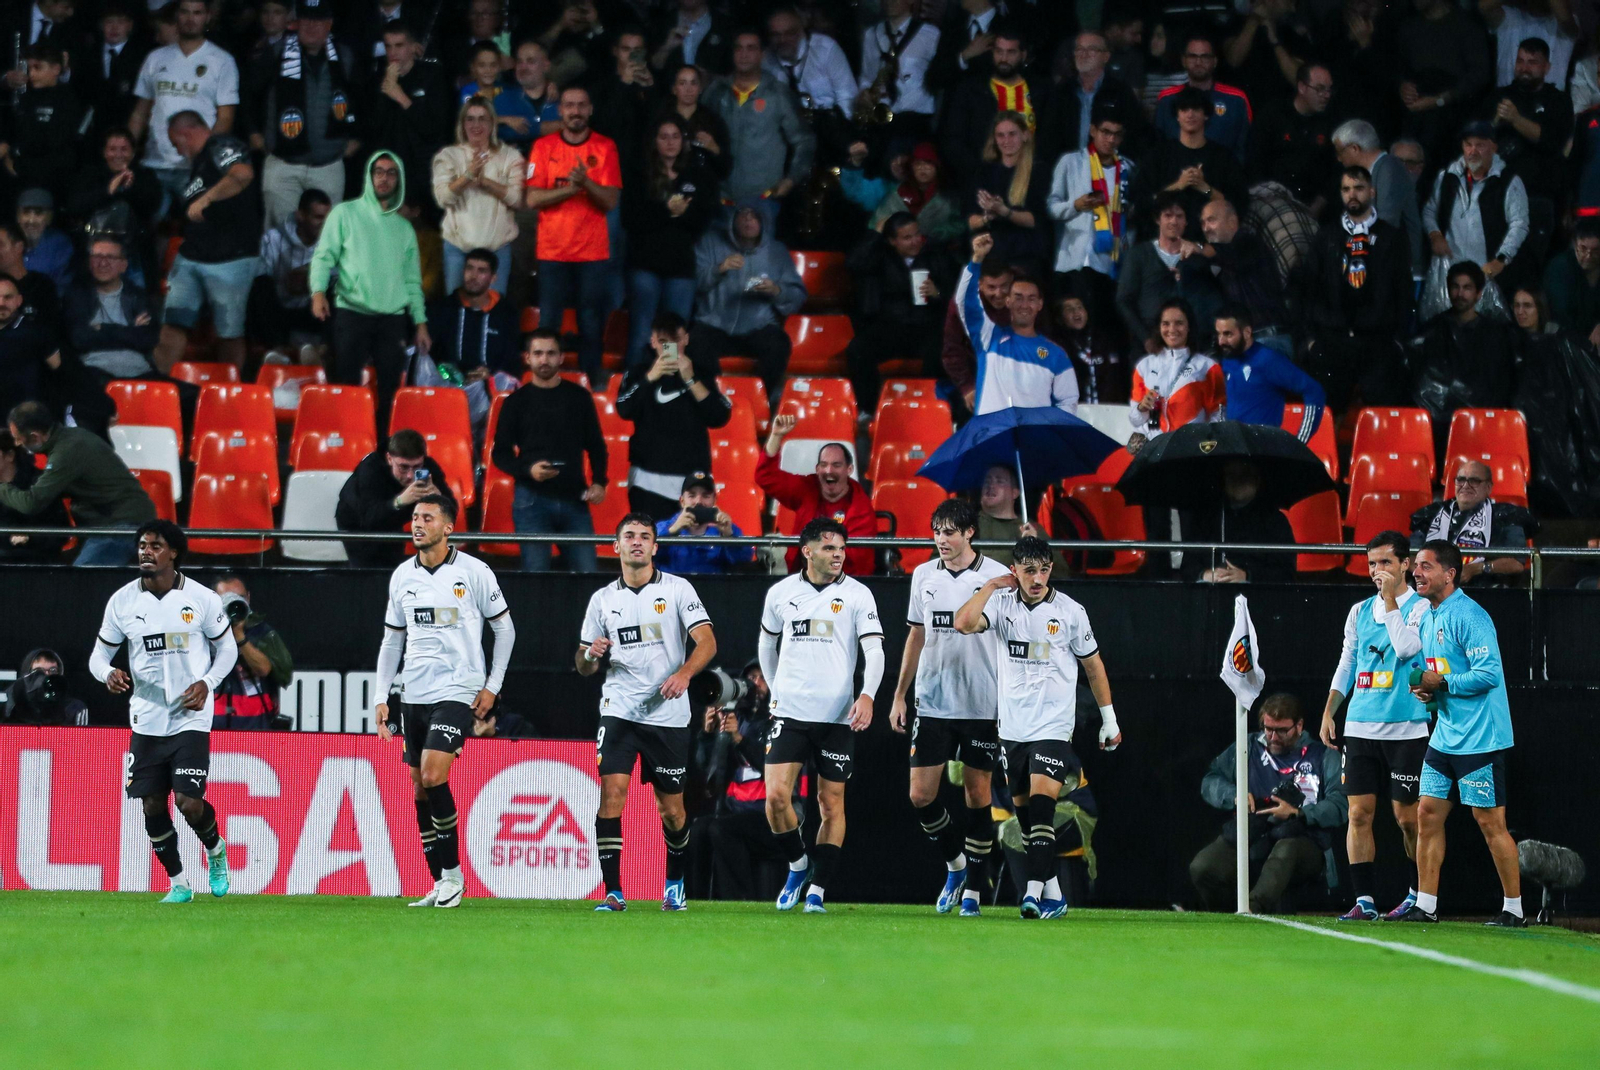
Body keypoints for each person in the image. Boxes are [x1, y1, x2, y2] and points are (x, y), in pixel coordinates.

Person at [953, 534, 1122, 919]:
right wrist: (992, 584)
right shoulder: (1000, 604)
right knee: (1026, 820)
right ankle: (1055, 894)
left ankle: (1031, 894)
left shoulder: (1070, 611)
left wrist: (1109, 719)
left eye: (1044, 570)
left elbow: (1093, 666)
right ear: (1015, 571)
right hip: (1013, 729)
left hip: (1053, 726)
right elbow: (963, 623)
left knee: (1044, 809)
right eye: (1029, 571)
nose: (1038, 579)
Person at [374, 495, 515, 909]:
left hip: (458, 688)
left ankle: (453, 876)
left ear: (448, 527)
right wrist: (383, 695)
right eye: (415, 518)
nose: (418, 524)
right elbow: (392, 639)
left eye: (427, 518)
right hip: (413, 692)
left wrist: (492, 686)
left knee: (435, 776)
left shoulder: (474, 572)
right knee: (420, 790)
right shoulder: (402, 576)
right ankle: (438, 880)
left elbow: (504, 630)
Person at [88, 520, 238, 904]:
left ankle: (215, 849)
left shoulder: (202, 599)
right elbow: (98, 656)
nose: (145, 552)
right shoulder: (123, 601)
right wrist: (108, 672)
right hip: (147, 717)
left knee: (188, 802)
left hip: (190, 716)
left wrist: (207, 683)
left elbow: (228, 650)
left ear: (173, 553)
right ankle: (179, 884)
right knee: (153, 803)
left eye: (155, 546)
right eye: (141, 545)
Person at [577, 514, 717, 911]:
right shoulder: (603, 600)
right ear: (615, 546)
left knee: (671, 810)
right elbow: (583, 665)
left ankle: (674, 882)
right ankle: (613, 891)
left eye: (644, 537)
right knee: (611, 794)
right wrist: (590, 654)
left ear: (656, 547)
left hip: (668, 714)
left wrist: (685, 673)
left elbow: (707, 641)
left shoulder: (677, 589)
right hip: (619, 709)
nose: (636, 542)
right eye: (629, 536)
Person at [890, 499, 1011, 915]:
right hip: (934, 699)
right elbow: (915, 636)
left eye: (949, 531)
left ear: (969, 533)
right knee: (921, 795)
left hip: (981, 702)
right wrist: (899, 695)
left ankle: (975, 892)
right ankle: (956, 866)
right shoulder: (923, 574)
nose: (942, 539)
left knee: (978, 795)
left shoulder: (998, 576)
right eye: (937, 530)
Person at [758, 518, 885, 913]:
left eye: (841, 549)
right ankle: (798, 865)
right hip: (791, 712)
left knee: (831, 805)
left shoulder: (858, 594)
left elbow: (875, 651)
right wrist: (776, 686)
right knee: (776, 798)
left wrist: (866, 695)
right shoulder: (781, 593)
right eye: (829, 548)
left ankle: (818, 890)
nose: (838, 555)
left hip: (836, 717)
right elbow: (767, 644)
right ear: (807, 550)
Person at [1399, 541, 1523, 926]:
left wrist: (1442, 683)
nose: (1416, 572)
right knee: (1428, 813)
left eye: (1425, 566)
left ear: (1450, 574)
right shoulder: (1428, 614)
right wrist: (1428, 692)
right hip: (1446, 735)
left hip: (1480, 737)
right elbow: (1437, 673)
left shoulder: (1471, 616)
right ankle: (1427, 904)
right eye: (1416, 565)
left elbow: (1489, 675)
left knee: (1490, 823)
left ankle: (1514, 910)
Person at [1320, 531, 1432, 921]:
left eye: (1385, 562)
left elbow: (1406, 650)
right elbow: (1348, 663)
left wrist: (1389, 604)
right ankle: (1364, 900)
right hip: (1361, 727)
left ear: (1405, 564)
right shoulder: (1358, 611)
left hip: (1406, 728)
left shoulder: (1420, 608)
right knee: (1358, 815)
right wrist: (1330, 708)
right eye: (1371, 564)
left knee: (1407, 817)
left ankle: (1419, 894)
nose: (1376, 571)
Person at [1189, 694, 1346, 914]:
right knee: (1203, 867)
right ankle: (1225, 916)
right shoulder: (1248, 746)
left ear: (1299, 725)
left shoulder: (1323, 756)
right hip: (1253, 833)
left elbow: (1340, 805)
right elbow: (1210, 781)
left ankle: (1251, 912)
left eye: (1281, 731)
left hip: (1304, 841)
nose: (1273, 737)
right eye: (1268, 728)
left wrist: (1298, 813)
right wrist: (1235, 795)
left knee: (1286, 849)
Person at [310, 151, 430, 437]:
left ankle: (383, 450)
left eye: (391, 173)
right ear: (369, 175)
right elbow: (323, 256)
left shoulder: (404, 229)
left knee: (390, 389)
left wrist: (421, 323)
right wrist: (317, 292)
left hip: (392, 318)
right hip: (352, 312)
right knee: (347, 384)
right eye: (379, 171)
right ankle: (346, 442)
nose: (384, 178)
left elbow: (413, 281)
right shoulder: (345, 213)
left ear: (398, 180)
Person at [523, 86, 622, 388]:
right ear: (560, 110)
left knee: (591, 320)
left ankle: (593, 377)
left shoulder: (606, 147)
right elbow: (532, 199)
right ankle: (544, 377)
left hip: (592, 252)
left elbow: (610, 201)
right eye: (569, 105)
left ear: (590, 110)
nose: (575, 111)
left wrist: (586, 183)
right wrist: (571, 189)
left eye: (581, 105)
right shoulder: (543, 146)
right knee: (549, 320)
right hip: (552, 250)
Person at [1297, 166, 1415, 410]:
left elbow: (1403, 292)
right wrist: (1311, 340)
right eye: (1346, 189)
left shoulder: (1391, 237)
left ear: (1372, 191)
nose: (1352, 194)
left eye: (1359, 188)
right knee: (1330, 413)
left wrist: (1398, 341)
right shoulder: (1326, 236)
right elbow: (1308, 287)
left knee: (1381, 414)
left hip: (1378, 341)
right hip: (1332, 340)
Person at [490, 329, 608, 573]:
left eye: (551, 353)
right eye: (538, 353)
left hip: (575, 496)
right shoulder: (514, 402)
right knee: (535, 576)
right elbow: (500, 453)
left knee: (588, 575)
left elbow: (597, 445)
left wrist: (599, 482)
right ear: (528, 358)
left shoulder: (580, 398)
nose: (544, 360)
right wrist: (528, 470)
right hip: (531, 499)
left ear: (561, 358)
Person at [154, 112, 258, 375]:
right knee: (171, 327)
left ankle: (227, 398)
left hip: (230, 258)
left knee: (229, 334)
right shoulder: (197, 166)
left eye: (176, 144)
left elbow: (242, 174)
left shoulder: (221, 146)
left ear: (185, 134)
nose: (179, 151)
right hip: (191, 256)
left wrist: (207, 199)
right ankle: (159, 392)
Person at [242, 0, 360, 231]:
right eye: (306, 20)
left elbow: (362, 99)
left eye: (318, 21)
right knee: (281, 237)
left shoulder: (345, 56)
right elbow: (248, 95)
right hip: (283, 164)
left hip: (328, 164)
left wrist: (357, 136)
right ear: (296, 23)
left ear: (329, 24)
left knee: (326, 239)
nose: (312, 26)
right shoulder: (274, 54)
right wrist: (253, 132)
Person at [3, 400, 155, 566]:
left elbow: (31, 503)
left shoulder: (66, 452)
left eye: (18, 439)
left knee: (79, 583)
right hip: (108, 524)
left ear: (35, 436)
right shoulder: (69, 440)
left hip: (120, 526)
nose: (17, 444)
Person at [621, 116, 715, 371]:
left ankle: (668, 387)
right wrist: (666, 212)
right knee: (643, 330)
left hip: (680, 266)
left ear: (683, 141)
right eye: (664, 136)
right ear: (655, 142)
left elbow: (703, 218)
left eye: (675, 136)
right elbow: (631, 219)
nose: (670, 142)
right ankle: (633, 385)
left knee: (673, 334)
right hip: (645, 265)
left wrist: (680, 214)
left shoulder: (694, 174)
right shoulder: (640, 174)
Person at [615, 313, 732, 518]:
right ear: (652, 342)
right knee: (652, 544)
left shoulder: (702, 372)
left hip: (692, 483)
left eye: (675, 340)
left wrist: (690, 379)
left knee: (692, 548)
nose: (670, 348)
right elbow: (623, 408)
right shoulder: (637, 373)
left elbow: (720, 416)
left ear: (686, 339)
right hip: (647, 479)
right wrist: (650, 377)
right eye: (662, 342)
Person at [129, 0, 240, 209]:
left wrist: (206, 160)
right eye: (185, 12)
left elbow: (225, 118)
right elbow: (139, 113)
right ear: (177, 17)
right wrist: (127, 151)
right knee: (151, 231)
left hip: (195, 167)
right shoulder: (155, 58)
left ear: (207, 17)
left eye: (197, 13)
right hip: (154, 164)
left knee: (195, 230)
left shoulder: (222, 61)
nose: (191, 19)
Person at [689, 204, 807, 399]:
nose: (748, 220)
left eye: (754, 216)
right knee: (694, 343)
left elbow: (797, 296)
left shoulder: (776, 251)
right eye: (742, 215)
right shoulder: (710, 243)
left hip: (757, 326)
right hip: (714, 323)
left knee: (779, 344)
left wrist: (776, 290)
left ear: (763, 222)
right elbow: (694, 284)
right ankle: (712, 402)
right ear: (732, 220)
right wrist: (718, 269)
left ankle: (759, 401)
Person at [955, 231, 1077, 415]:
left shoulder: (1056, 354)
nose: (1024, 305)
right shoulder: (988, 338)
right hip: (992, 439)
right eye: (1018, 298)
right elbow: (965, 302)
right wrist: (977, 259)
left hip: (1033, 441)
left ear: (1039, 304)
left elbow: (1068, 402)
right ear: (1008, 302)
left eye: (1031, 298)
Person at [703, 30, 815, 231]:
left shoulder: (778, 93)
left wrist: (791, 179)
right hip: (720, 199)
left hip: (763, 201)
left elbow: (804, 140)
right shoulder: (716, 90)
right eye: (738, 48)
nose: (744, 54)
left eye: (751, 48)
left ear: (762, 55)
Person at [845, 214, 957, 411]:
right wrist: (874, 235)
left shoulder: (936, 253)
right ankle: (869, 411)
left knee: (945, 350)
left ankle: (931, 406)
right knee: (858, 349)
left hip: (927, 328)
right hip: (891, 328)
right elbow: (854, 263)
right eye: (907, 238)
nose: (915, 241)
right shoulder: (880, 255)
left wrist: (937, 293)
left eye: (917, 235)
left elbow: (958, 294)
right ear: (892, 241)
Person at [63, 236, 167, 432]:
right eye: (97, 256)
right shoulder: (76, 295)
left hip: (141, 373)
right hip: (95, 373)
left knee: (192, 395)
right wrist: (129, 332)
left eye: (110, 257)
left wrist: (102, 328)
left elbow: (147, 339)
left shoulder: (137, 295)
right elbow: (78, 339)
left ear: (123, 265)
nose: (103, 263)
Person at [940, 26, 1057, 193]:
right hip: (981, 184)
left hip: (1029, 182)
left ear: (1023, 55)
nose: (1003, 58)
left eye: (1011, 52)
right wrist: (978, 172)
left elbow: (1050, 137)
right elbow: (953, 139)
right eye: (999, 51)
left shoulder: (1042, 90)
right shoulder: (971, 89)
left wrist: (1036, 170)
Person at [1422, 124, 1530, 301]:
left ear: (1493, 147)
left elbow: (1519, 224)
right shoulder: (1447, 177)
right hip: (1450, 275)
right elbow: (1429, 210)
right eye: (1468, 145)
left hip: (1487, 275)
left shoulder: (1508, 181)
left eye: (1480, 145)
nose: (1472, 151)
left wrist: (1501, 260)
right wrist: (1435, 235)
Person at [758, 415, 876, 575]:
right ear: (817, 469)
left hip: (842, 586)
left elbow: (857, 563)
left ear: (849, 470)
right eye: (824, 465)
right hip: (799, 578)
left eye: (836, 465)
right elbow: (765, 476)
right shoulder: (808, 487)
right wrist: (776, 435)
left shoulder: (861, 508)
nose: (828, 471)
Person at [1410, 263, 1519, 437]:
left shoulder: (1495, 335)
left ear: (1479, 293)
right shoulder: (1431, 332)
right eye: (1455, 287)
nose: (1460, 294)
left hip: (1483, 425)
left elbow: (1500, 383)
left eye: (1467, 288)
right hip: (1440, 427)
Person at [430, 96, 524, 296]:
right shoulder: (448, 155)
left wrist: (485, 182)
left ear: (492, 123)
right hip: (458, 249)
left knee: (494, 311)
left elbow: (517, 200)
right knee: (456, 311)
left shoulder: (510, 156)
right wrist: (468, 175)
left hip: (497, 249)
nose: (476, 125)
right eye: (470, 119)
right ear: (462, 124)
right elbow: (443, 198)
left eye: (482, 119)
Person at [1048, 106, 1134, 321]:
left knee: (1102, 325)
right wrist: (1075, 205)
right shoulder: (1071, 162)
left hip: (1109, 263)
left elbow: (1132, 216)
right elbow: (1051, 207)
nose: (1111, 139)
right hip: (1073, 259)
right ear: (1092, 130)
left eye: (1117, 134)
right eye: (1106, 132)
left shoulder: (1127, 169)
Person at [334, 429, 459, 569]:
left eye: (416, 466)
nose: (410, 476)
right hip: (357, 523)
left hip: (392, 519)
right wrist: (400, 501)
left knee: (395, 567)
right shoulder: (370, 470)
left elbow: (452, 511)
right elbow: (369, 518)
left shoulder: (428, 468)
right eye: (403, 467)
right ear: (389, 459)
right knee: (369, 573)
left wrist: (440, 499)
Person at [1139, 86, 1249, 245]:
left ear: (1206, 115)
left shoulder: (1223, 157)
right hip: (1163, 245)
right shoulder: (1159, 155)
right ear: (1177, 115)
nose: (1190, 114)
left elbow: (1236, 206)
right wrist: (1178, 185)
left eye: (1196, 109)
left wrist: (1205, 188)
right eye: (1184, 109)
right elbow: (1144, 202)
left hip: (1209, 246)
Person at [366, 20, 453, 214]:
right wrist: (386, 89)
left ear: (414, 47)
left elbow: (434, 129)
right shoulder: (377, 79)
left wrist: (400, 96)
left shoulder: (432, 76)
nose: (393, 52)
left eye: (399, 45)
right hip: (390, 174)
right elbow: (373, 129)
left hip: (425, 174)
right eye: (388, 46)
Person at [421, 248, 521, 413]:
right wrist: (452, 374)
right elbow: (432, 355)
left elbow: (511, 359)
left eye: (481, 271)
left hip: (489, 390)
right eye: (469, 268)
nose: (473, 276)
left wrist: (490, 374)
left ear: (493, 278)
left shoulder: (506, 314)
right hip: (448, 390)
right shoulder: (443, 308)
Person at [1182, 200, 1289, 353]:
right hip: (1246, 344)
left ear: (1232, 222)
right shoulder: (1220, 259)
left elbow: (1227, 255)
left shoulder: (1249, 242)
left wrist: (1198, 248)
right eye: (1203, 223)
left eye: (1211, 220)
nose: (1206, 228)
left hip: (1268, 340)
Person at [1410, 460, 1534, 585]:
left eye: (1474, 481)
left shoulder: (1506, 515)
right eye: (1461, 480)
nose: (1465, 485)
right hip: (1433, 589)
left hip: (1485, 590)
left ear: (1488, 487)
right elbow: (1409, 556)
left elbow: (1516, 563)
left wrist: (1478, 568)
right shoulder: (1432, 514)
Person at [1484, 37, 1571, 214]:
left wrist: (1515, 119)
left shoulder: (1558, 100)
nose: (1524, 68)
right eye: (1520, 61)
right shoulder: (1499, 95)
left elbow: (1553, 141)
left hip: (1539, 192)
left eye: (1532, 62)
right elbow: (1478, 138)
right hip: (1500, 189)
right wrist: (1494, 121)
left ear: (1547, 67)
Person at [66, 128, 165, 284]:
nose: (118, 155)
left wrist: (129, 189)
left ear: (133, 153)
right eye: (112, 149)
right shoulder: (90, 175)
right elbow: (74, 207)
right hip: (93, 254)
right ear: (104, 153)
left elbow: (151, 206)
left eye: (124, 149)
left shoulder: (145, 176)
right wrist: (108, 190)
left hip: (133, 255)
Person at [1212, 306, 1324, 440]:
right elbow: (1224, 403)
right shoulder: (1227, 360)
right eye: (1218, 334)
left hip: (1263, 450)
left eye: (1228, 334)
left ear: (1247, 332)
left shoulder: (1268, 360)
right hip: (1234, 448)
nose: (1221, 341)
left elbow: (1314, 390)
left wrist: (1300, 440)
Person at [1128, 298, 1224, 448]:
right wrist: (1142, 408)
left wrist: (1206, 445)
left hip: (1191, 450)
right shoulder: (1144, 366)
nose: (1172, 330)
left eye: (1179, 323)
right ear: (1159, 327)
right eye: (1166, 324)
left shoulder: (1207, 367)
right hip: (1155, 451)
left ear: (1189, 327)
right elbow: (1135, 420)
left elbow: (1218, 417)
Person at [1183, 459, 1296, 584]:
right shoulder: (1206, 518)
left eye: (1245, 475)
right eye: (1231, 475)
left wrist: (1247, 575)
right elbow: (1188, 565)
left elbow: (1286, 572)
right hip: (1211, 591)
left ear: (1257, 480)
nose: (1237, 480)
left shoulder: (1274, 520)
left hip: (1257, 594)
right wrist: (1204, 574)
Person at [1332, 119, 1425, 270]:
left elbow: (1385, 223)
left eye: (1340, 151)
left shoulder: (1390, 168)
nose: (1339, 158)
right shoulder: (1373, 171)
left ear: (1355, 148)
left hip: (1399, 269)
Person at [964, 112, 1050, 271]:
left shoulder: (1038, 171)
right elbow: (971, 220)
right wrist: (987, 217)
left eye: (1012, 134)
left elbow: (1036, 220)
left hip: (1026, 255)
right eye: (1000, 135)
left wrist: (1004, 211)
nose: (1006, 141)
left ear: (1025, 135)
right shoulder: (984, 171)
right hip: (992, 256)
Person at [1248, 63, 1336, 212]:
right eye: (1320, 89)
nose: (1326, 95)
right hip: (1271, 206)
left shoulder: (1330, 121)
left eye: (1329, 89)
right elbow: (1255, 162)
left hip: (1315, 210)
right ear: (1302, 87)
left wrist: (1320, 203)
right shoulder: (1273, 116)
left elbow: (1334, 169)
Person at [211, 574, 294, 731]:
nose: (234, 604)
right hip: (212, 728)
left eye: (240, 597)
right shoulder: (201, 632)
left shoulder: (262, 633)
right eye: (226, 598)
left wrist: (239, 636)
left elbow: (266, 670)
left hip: (254, 729)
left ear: (248, 598)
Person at [256, 188, 333, 356]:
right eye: (318, 217)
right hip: (278, 310)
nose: (324, 224)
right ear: (300, 216)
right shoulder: (273, 238)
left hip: (311, 311)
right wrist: (288, 280)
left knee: (341, 289)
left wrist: (311, 275)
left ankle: (324, 351)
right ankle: (276, 350)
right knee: (261, 284)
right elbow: (262, 281)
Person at [0, 45, 84, 196]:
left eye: (38, 68)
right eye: (30, 68)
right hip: (21, 171)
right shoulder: (27, 98)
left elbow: (56, 143)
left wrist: (18, 161)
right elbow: (14, 130)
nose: (31, 74)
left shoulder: (67, 100)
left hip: (52, 177)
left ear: (56, 69)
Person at [1153, 36, 1252, 162]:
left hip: (1224, 174)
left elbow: (1245, 146)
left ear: (1215, 61)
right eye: (1193, 56)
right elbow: (1158, 146)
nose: (1198, 62)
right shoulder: (1167, 98)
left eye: (1205, 57)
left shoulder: (1236, 99)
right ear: (1184, 60)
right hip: (1177, 175)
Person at [857, 0, 941, 143]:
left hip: (914, 121)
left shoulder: (931, 35)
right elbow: (867, 75)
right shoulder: (871, 35)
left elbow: (940, 77)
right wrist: (865, 92)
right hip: (879, 119)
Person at [942, 254, 1010, 418]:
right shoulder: (963, 305)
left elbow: (1044, 345)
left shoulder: (1026, 299)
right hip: (978, 373)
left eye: (1004, 286)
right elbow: (952, 350)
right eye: (991, 287)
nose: (999, 293)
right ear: (979, 284)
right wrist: (967, 387)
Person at [1055, 30, 1143, 156]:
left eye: (1091, 50)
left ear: (1106, 57)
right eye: (1079, 49)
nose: (1083, 54)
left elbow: (1133, 135)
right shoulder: (1062, 91)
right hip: (1068, 169)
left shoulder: (1120, 92)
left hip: (1108, 168)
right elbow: (1049, 137)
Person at [867, 143, 964, 245]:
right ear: (911, 167)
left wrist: (933, 236)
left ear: (937, 166)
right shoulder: (896, 195)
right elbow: (875, 227)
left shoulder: (948, 197)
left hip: (934, 253)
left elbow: (959, 226)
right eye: (918, 163)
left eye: (928, 163)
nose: (923, 168)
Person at [655, 473, 753, 573]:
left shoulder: (727, 529)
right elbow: (647, 555)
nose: (698, 501)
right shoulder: (664, 527)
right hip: (673, 587)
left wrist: (729, 536)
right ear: (682, 501)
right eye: (692, 495)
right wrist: (672, 531)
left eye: (706, 496)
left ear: (714, 500)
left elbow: (744, 560)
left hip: (712, 587)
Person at [0, 271, 60, 422]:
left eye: (8, 297)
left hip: (26, 423)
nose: (1, 303)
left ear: (19, 300)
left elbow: (62, 371)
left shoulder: (36, 332)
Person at [0, 428, 67, 562]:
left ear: (10, 455)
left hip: (38, 563)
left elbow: (59, 531)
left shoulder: (40, 484)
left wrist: (29, 538)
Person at [1053, 291, 1129, 404]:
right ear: (1060, 318)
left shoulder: (1104, 340)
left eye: (1079, 307)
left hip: (1107, 410)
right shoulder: (1056, 346)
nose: (1076, 312)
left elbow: (1117, 380)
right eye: (1069, 309)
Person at [1542, 220, 1600, 346]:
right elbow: (1562, 313)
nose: (1588, 256)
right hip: (1567, 338)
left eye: (1595, 251)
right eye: (1583, 249)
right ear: (1575, 244)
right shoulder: (1560, 268)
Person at [4, 648, 87, 726]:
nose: (46, 675)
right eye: (39, 671)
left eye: (53, 670)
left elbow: (76, 739)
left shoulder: (72, 707)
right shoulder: (14, 698)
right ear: (27, 675)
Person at [651, 0, 732, 78]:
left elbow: (735, 73)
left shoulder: (725, 26)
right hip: (669, 90)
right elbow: (652, 69)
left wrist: (711, 79)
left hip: (714, 91)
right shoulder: (661, 23)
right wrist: (666, 48)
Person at [17, 190, 74, 296]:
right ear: (18, 217)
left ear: (49, 218)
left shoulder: (60, 244)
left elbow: (62, 289)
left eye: (38, 213)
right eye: (26, 212)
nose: (31, 220)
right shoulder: (6, 241)